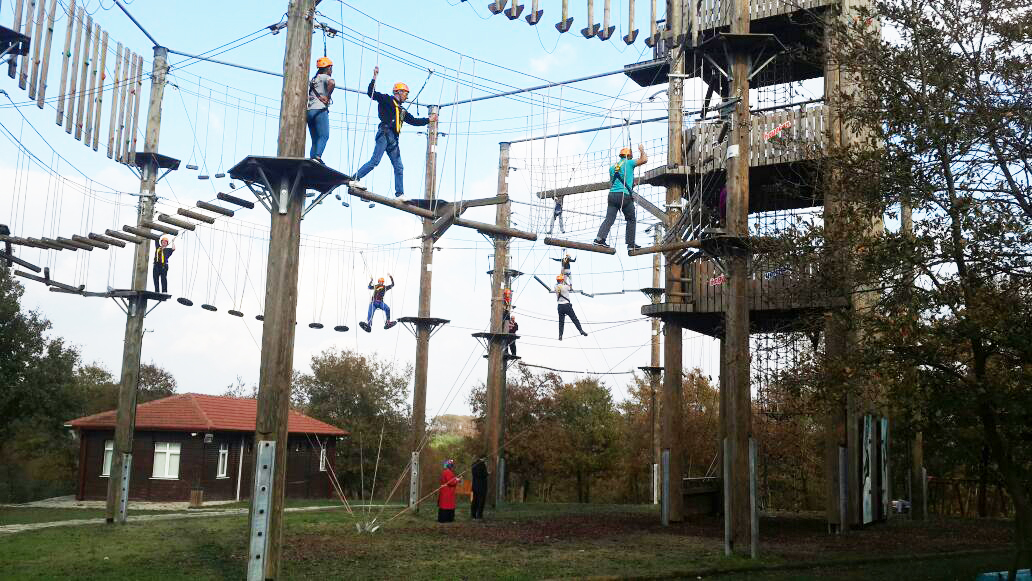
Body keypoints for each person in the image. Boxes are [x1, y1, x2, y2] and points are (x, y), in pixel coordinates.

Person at [351, 66, 437, 198]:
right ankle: (355, 179)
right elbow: (371, 93)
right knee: (375, 161)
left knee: (399, 167)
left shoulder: (401, 110)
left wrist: (429, 120)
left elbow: (413, 121)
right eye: (406, 94)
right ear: (399, 92)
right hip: (385, 134)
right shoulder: (386, 99)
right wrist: (374, 77)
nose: (407, 97)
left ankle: (400, 193)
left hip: (394, 139)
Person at [595, 144, 648, 251]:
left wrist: (631, 183)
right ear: (629, 156)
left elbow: (617, 182)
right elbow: (644, 160)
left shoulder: (612, 168)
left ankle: (599, 239)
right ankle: (630, 244)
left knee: (609, 219)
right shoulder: (629, 162)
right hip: (624, 196)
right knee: (631, 219)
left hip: (612, 195)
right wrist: (642, 150)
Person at [306, 57, 335, 164]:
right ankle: (317, 157)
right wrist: (327, 96)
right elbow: (332, 83)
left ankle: (313, 158)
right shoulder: (325, 77)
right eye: (331, 68)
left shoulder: (313, 79)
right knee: (324, 136)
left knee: (315, 139)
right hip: (320, 110)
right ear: (328, 68)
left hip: (310, 111)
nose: (331, 71)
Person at [555, 274, 587, 340]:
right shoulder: (566, 287)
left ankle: (560, 335)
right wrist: (566, 280)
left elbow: (558, 284)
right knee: (574, 319)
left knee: (561, 322)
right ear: (562, 281)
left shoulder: (555, 287)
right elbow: (570, 288)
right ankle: (580, 330)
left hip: (560, 306)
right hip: (567, 305)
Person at [438, 459, 461, 523]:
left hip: (446, 491)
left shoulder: (445, 472)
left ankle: (444, 518)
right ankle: (447, 519)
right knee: (447, 505)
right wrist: (457, 480)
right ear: (449, 466)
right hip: (447, 491)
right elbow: (451, 482)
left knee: (444, 505)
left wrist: (455, 479)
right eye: (452, 465)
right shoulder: (448, 472)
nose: (452, 467)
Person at [470, 456, 488, 520]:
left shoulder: (473, 464)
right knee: (481, 501)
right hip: (482, 486)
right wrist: (487, 473)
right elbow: (483, 474)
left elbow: (474, 474)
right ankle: (479, 515)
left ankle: (473, 515)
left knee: (474, 501)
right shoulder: (483, 465)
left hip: (474, 486)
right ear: (483, 458)